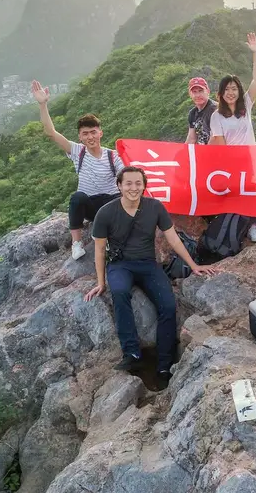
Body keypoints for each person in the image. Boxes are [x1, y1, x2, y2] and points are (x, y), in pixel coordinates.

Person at [84, 166, 215, 390]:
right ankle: (132, 352)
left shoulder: (154, 207)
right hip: (120, 266)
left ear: (144, 186)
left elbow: (173, 239)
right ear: (119, 186)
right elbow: (99, 250)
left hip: (147, 264)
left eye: (138, 183)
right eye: (128, 183)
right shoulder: (106, 212)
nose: (133, 188)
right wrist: (100, 282)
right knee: (120, 292)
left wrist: (193, 265)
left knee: (167, 304)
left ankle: (164, 365)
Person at [32, 79, 124, 260]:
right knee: (76, 197)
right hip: (90, 204)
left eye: (93, 132)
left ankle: (113, 240)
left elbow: (128, 177)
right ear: (80, 137)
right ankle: (77, 243)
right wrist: (43, 105)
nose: (90, 137)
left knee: (121, 197)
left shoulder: (114, 156)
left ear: (100, 133)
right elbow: (51, 133)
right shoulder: (77, 152)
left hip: (111, 204)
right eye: (85, 134)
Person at [209, 32, 256, 242]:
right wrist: (230, 164)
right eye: (226, 89)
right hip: (232, 162)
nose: (231, 92)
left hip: (250, 159)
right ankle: (238, 229)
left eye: (234, 88)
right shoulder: (216, 116)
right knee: (236, 196)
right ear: (221, 93)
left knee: (254, 191)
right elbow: (221, 145)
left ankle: (254, 226)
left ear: (239, 91)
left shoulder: (246, 106)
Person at [185, 77, 216, 145]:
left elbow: (215, 138)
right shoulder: (192, 113)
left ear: (208, 91)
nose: (198, 95)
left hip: (215, 151)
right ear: (190, 94)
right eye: (194, 92)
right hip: (201, 150)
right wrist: (183, 152)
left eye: (201, 91)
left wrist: (205, 154)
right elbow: (191, 138)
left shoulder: (215, 110)